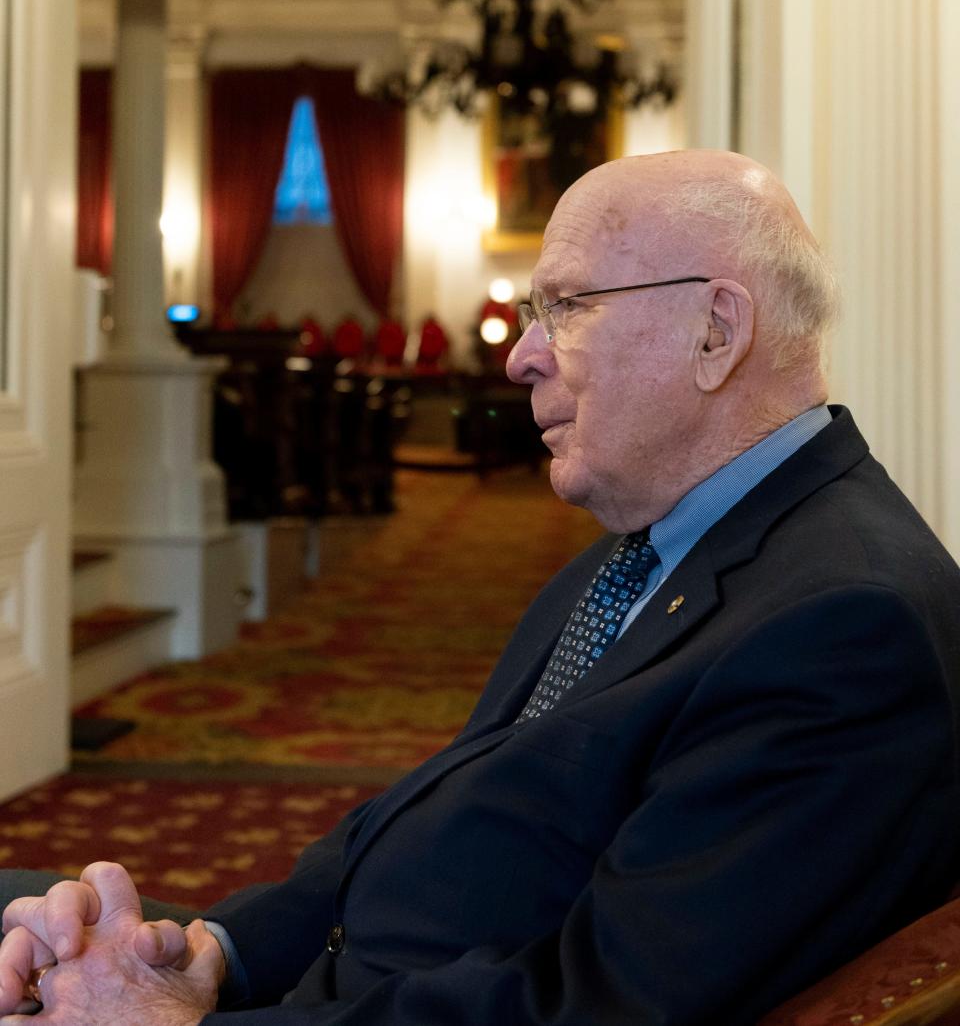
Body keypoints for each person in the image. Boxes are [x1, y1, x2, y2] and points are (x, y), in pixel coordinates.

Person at [2, 149, 959, 1026]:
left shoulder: (846, 629)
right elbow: (441, 810)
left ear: (716, 330)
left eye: (567, 307)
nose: (519, 354)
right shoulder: (656, 542)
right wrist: (217, 954)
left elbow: (595, 1008)